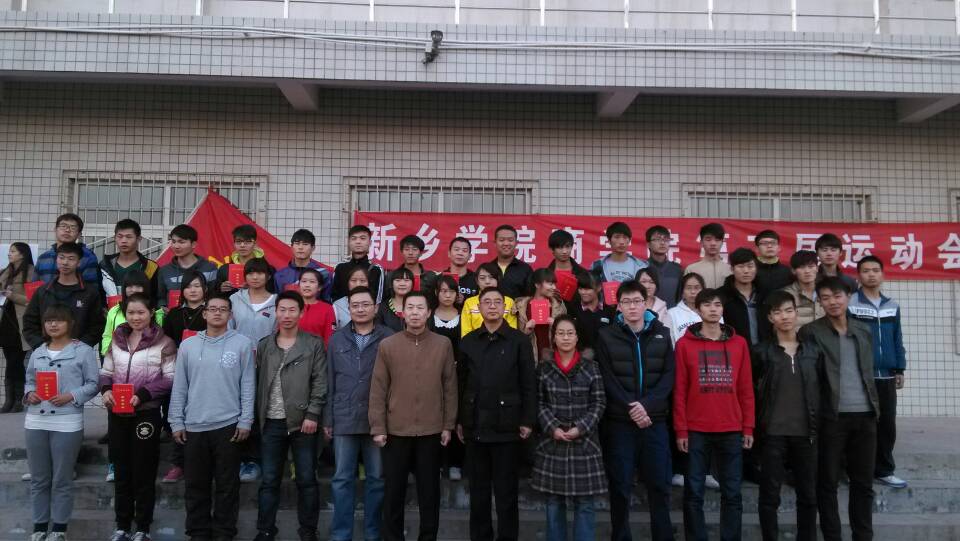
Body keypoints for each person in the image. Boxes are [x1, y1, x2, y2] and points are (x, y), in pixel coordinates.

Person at [369, 291, 458, 541]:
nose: (415, 313)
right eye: (410, 308)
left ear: (429, 313)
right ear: (403, 312)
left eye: (420, 308)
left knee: (429, 493)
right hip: (396, 430)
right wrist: (378, 427)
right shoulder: (388, 345)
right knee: (393, 492)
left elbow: (450, 387)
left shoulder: (442, 344)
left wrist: (448, 424)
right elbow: (378, 388)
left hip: (431, 430)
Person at [169, 295, 255, 541]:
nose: (218, 313)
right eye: (213, 309)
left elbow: (248, 384)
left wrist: (246, 420)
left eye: (223, 309)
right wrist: (176, 421)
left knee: (228, 486)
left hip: (229, 425)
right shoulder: (188, 345)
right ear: (204, 313)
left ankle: (224, 533)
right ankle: (198, 533)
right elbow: (180, 386)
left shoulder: (242, 344)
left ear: (230, 315)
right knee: (196, 485)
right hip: (194, 426)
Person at [799, 276, 880, 541]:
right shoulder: (811, 332)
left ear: (848, 297)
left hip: (866, 415)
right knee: (828, 483)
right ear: (819, 302)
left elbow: (868, 371)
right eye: (825, 298)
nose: (832, 302)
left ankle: (863, 536)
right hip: (831, 416)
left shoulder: (863, 330)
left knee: (863, 483)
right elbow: (809, 378)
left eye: (837, 296)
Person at [594, 280, 675, 541]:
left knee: (659, 485)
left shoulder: (662, 334)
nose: (632, 307)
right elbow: (607, 378)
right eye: (626, 302)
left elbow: (668, 376)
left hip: (654, 421)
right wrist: (633, 407)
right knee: (620, 486)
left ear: (646, 303)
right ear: (618, 306)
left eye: (637, 301)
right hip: (620, 422)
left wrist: (646, 406)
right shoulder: (606, 336)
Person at [674, 289, 755, 541]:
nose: (713, 309)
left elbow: (746, 388)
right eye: (707, 305)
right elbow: (679, 390)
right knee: (693, 493)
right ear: (698, 310)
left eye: (717, 305)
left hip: (731, 427)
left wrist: (748, 427)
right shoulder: (684, 345)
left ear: (722, 309)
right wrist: (681, 429)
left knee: (732, 493)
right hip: (696, 429)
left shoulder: (739, 344)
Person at [457, 286, 536, 541]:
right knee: (478, 493)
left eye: (497, 302)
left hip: (508, 426)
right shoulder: (468, 342)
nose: (492, 306)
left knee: (506, 494)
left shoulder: (519, 341)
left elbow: (528, 383)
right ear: (479, 308)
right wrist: (460, 420)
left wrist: (527, 419)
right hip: (476, 425)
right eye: (487, 302)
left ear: (505, 307)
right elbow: (461, 384)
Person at [100, 293, 177, 541]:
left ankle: (143, 527)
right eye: (131, 312)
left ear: (151, 313)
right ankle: (122, 526)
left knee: (143, 471)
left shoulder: (164, 342)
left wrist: (142, 394)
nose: (136, 317)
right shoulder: (117, 339)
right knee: (121, 470)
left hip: (146, 413)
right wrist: (106, 390)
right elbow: (106, 371)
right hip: (118, 413)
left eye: (141, 312)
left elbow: (170, 378)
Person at [253, 291, 328, 541]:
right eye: (282, 310)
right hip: (271, 422)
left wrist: (313, 414)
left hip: (302, 422)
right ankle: (265, 531)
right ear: (275, 312)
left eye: (292, 310)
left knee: (306, 480)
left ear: (301, 312)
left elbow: (320, 381)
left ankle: (308, 531)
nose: (287, 315)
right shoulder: (265, 345)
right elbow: (257, 381)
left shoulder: (313, 344)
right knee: (269, 481)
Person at [23, 305, 100, 541]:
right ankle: (39, 528)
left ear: (70, 324)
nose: (53, 325)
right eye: (48, 321)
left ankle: (58, 529)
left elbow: (93, 384)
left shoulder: (83, 351)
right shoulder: (38, 352)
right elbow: (29, 380)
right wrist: (29, 394)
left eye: (58, 320)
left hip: (67, 421)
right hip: (36, 420)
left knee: (62, 479)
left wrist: (71, 396)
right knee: (39, 479)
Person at [324, 286, 393, 541]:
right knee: (342, 478)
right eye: (355, 305)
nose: (360, 309)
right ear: (348, 309)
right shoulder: (337, 339)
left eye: (365, 305)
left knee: (377, 478)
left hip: (378, 419)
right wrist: (328, 418)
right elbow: (330, 380)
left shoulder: (389, 337)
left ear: (375, 308)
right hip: (344, 417)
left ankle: (373, 534)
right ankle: (341, 534)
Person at [752, 290, 820, 541]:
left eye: (789, 310)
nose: (785, 316)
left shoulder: (813, 351)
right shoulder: (761, 352)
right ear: (770, 317)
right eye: (778, 312)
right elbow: (751, 390)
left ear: (796, 313)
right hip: (773, 434)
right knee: (770, 496)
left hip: (806, 434)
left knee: (808, 496)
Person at [531, 315, 606, 541]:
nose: (565, 338)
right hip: (552, 443)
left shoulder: (591, 367)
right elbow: (538, 402)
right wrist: (552, 427)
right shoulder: (544, 368)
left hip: (585, 443)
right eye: (561, 333)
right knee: (554, 503)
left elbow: (599, 402)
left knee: (585, 503)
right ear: (553, 337)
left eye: (570, 333)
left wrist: (581, 427)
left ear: (577, 337)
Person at [849, 255, 908, 489]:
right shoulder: (851, 303)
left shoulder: (892, 305)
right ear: (858, 276)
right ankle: (857, 471)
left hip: (887, 376)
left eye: (875, 270)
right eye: (866, 271)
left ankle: (884, 471)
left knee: (887, 425)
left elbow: (897, 337)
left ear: (883, 274)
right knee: (861, 426)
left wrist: (899, 368)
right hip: (861, 376)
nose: (871, 274)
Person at [159, 269, 209, 484]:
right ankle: (177, 464)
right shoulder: (174, 314)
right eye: (188, 286)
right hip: (179, 371)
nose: (193, 290)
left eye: (197, 286)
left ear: (205, 289)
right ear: (182, 291)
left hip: (206, 372)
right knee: (178, 416)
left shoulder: (211, 312)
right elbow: (166, 344)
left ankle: (204, 463)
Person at [22, 242, 105, 350]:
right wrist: (41, 345)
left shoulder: (89, 292)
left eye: (71, 259)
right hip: (46, 352)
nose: (65, 262)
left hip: (79, 352)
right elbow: (29, 322)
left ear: (79, 262)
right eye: (61, 258)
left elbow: (97, 325)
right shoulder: (43, 291)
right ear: (56, 260)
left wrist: (81, 346)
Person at [428, 275, 465, 480]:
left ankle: (455, 463)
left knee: (455, 414)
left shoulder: (463, 315)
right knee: (434, 415)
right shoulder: (429, 316)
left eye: (451, 291)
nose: (447, 295)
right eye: (443, 291)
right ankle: (436, 463)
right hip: (432, 374)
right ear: (436, 293)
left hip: (458, 374)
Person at [0, 242, 34, 413]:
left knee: (16, 361)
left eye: (13, 251)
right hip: (5, 320)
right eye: (10, 251)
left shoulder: (31, 271)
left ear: (22, 254)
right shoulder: (6, 271)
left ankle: (18, 400)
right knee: (10, 361)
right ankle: (9, 400)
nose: (9, 254)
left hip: (21, 323)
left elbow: (31, 300)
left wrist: (11, 295)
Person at [100, 271, 164, 357]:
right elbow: (107, 336)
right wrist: (107, 353)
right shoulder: (115, 311)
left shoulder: (156, 313)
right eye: (129, 286)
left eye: (138, 286)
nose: (133, 290)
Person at [156, 224, 218, 311]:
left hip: (203, 316)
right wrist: (162, 307)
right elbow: (160, 297)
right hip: (174, 317)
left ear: (193, 244)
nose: (176, 246)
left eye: (181, 242)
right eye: (173, 242)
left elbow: (215, 295)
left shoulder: (210, 268)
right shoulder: (165, 271)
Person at [99, 219, 160, 306]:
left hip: (138, 313)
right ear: (114, 238)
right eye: (120, 236)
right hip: (110, 313)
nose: (123, 240)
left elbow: (155, 297)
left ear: (139, 239)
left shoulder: (151, 267)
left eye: (129, 237)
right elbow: (99, 294)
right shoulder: (104, 265)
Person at [33, 213, 100, 286]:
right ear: (55, 230)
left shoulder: (88, 257)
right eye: (63, 226)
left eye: (73, 228)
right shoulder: (43, 257)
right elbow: (34, 286)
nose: (67, 230)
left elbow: (91, 287)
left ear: (79, 234)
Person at [515, 268, 568, 357]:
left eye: (554, 284)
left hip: (554, 358)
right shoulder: (521, 306)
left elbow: (568, 333)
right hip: (530, 357)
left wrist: (557, 325)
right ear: (537, 284)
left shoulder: (559, 305)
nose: (554, 287)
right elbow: (515, 338)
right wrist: (525, 332)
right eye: (550, 284)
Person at [718, 247, 764, 347]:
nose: (746, 271)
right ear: (732, 269)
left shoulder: (765, 293)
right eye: (741, 266)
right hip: (734, 348)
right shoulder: (721, 295)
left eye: (750, 266)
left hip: (764, 350)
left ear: (756, 268)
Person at [459, 262, 518, 337]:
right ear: (477, 281)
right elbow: (466, 334)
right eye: (482, 278)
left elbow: (512, 332)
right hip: (475, 342)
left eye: (491, 277)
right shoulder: (469, 302)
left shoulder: (509, 302)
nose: (487, 281)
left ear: (498, 279)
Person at [274, 228, 333, 302]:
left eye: (305, 244)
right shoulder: (280, 275)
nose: (300, 247)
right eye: (297, 243)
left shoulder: (324, 273)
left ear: (313, 248)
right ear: (291, 247)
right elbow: (278, 302)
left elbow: (327, 302)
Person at [229, 258, 277, 346]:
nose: (255, 277)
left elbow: (278, 332)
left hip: (266, 352)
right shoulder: (235, 299)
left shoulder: (277, 302)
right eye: (250, 273)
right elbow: (228, 328)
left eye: (260, 273)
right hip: (237, 351)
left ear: (269, 276)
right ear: (245, 277)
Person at [215, 224, 275, 294]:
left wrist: (256, 287)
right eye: (238, 242)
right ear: (234, 244)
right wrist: (220, 289)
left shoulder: (268, 269)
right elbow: (215, 295)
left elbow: (272, 293)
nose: (242, 245)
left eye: (248, 242)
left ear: (255, 244)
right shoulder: (224, 269)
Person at [331, 225, 385, 303]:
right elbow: (334, 296)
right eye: (354, 238)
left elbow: (379, 299)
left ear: (370, 243)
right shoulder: (340, 267)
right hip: (342, 310)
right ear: (349, 242)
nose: (358, 242)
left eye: (362, 238)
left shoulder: (376, 269)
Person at [568, 273, 615, 350]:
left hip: (604, 355)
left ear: (599, 288)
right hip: (581, 355)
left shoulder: (609, 310)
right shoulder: (573, 309)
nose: (583, 292)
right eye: (580, 288)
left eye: (587, 289)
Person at [545, 229, 590, 307]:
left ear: (572, 247)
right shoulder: (544, 275)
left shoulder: (583, 273)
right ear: (552, 249)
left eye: (567, 246)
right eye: (560, 247)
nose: (564, 251)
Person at [781, 250, 824, 327]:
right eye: (802, 267)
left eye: (811, 267)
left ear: (817, 268)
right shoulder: (785, 295)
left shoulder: (826, 292)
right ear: (793, 271)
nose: (807, 271)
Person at [490, 224, 534, 299]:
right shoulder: (488, 268)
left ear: (516, 243)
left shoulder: (526, 269)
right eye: (501, 240)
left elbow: (531, 297)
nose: (506, 243)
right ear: (495, 243)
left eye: (510, 240)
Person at [644, 225, 682, 308]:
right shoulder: (642, 268)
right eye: (657, 239)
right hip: (648, 314)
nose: (662, 243)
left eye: (666, 240)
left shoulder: (677, 269)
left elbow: (680, 298)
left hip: (672, 314)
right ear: (648, 244)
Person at [684, 223, 731, 289]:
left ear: (722, 242)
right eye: (708, 240)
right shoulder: (691, 269)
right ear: (701, 242)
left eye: (717, 240)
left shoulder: (730, 270)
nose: (713, 243)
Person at [295, 268, 336, 345]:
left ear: (319, 287)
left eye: (312, 282)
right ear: (299, 285)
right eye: (304, 281)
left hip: (318, 351)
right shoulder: (291, 306)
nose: (307, 285)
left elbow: (329, 337)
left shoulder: (327, 309)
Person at [441, 236, 479, 304]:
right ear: (449, 253)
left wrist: (465, 300)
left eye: (464, 250)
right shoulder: (441, 278)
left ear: (470, 256)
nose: (460, 253)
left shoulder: (477, 279)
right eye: (456, 249)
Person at [753, 230, 792, 296]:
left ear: (779, 248)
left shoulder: (788, 271)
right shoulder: (751, 271)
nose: (769, 246)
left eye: (773, 243)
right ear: (757, 249)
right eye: (765, 243)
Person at [375, 266, 413, 332]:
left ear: (412, 284)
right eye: (398, 280)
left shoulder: (419, 305)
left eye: (406, 280)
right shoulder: (383, 306)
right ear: (391, 284)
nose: (402, 284)